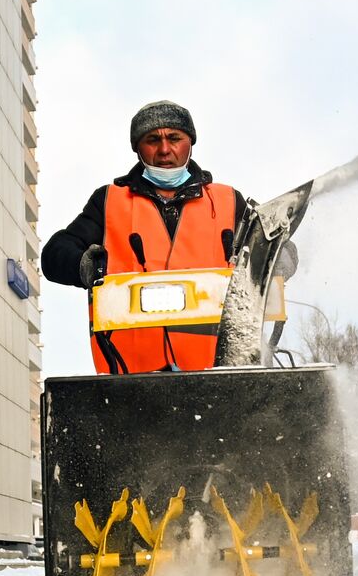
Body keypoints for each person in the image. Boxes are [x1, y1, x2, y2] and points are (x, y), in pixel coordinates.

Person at [42, 100, 246, 374]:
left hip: (219, 377)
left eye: (175, 138)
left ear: (190, 143)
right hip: (131, 382)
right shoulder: (109, 202)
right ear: (138, 148)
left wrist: (283, 256)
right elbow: (55, 254)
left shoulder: (228, 202)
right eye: (152, 140)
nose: (164, 149)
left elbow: (273, 252)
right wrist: (84, 265)